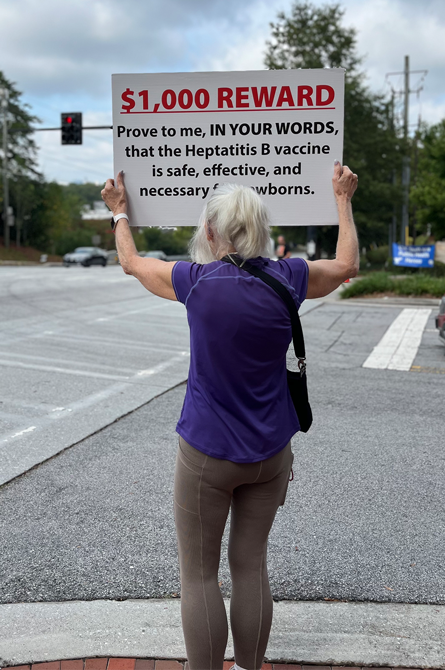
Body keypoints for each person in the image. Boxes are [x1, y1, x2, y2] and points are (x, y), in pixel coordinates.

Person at [100, 161, 359, 670]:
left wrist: (120, 213)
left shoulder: (195, 282)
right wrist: (342, 197)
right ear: (261, 230)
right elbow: (347, 264)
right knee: (250, 566)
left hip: (206, 454)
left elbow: (132, 263)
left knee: (198, 574)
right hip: (271, 453)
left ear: (212, 230)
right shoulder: (290, 277)